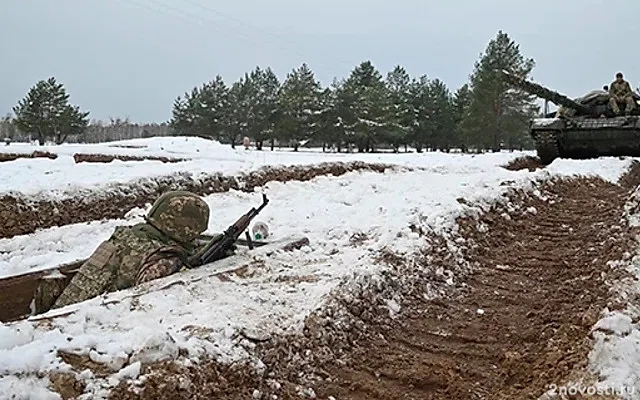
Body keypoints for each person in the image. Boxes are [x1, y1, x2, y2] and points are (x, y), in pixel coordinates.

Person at [34, 190, 217, 313]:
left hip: (67, 309)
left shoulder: (128, 236)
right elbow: (153, 302)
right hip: (90, 322)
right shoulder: (163, 258)